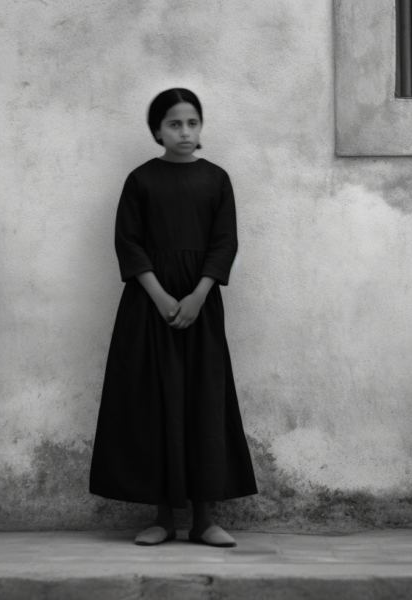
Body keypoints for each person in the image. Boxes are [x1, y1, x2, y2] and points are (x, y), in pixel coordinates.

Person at [89, 88, 257, 547]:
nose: (185, 132)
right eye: (174, 124)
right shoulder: (141, 180)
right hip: (149, 308)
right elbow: (129, 242)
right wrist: (162, 297)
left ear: (201, 127)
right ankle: (163, 517)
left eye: (192, 123)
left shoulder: (217, 180)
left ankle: (204, 519)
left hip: (200, 308)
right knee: (155, 404)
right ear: (156, 130)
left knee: (203, 402)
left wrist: (199, 295)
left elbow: (225, 242)